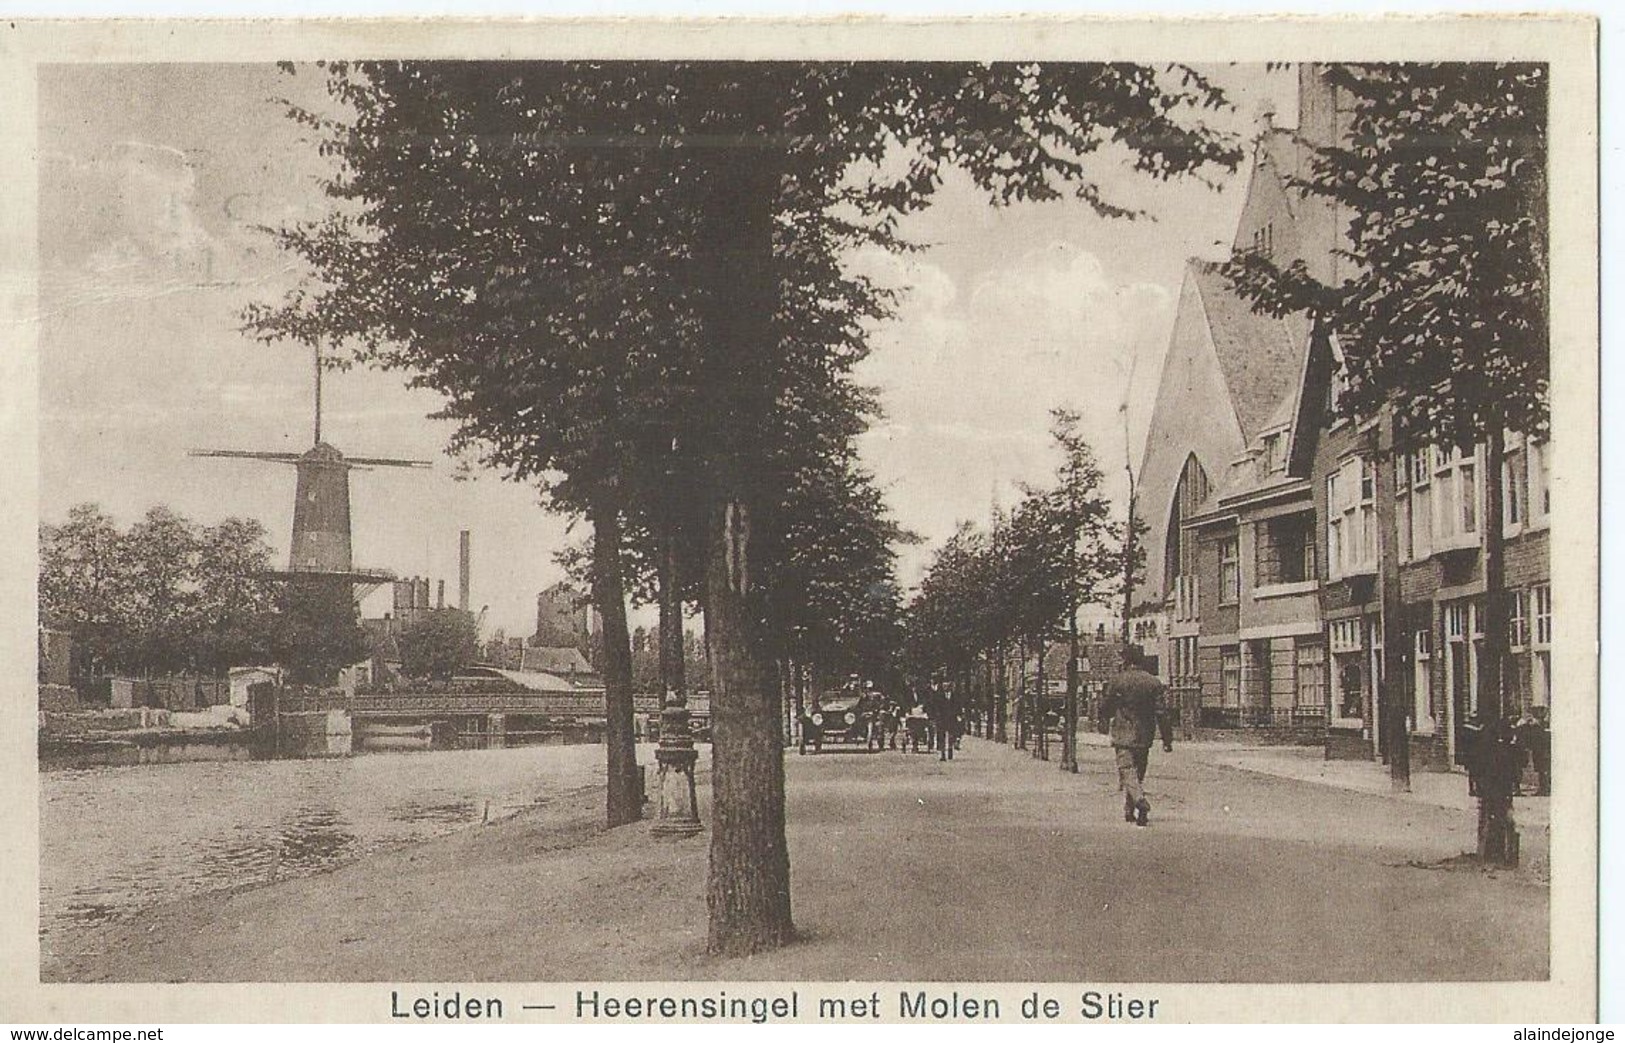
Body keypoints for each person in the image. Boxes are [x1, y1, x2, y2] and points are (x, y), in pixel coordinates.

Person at [1102, 646, 1170, 827]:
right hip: (1144, 735)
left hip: (1123, 733)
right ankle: (1130, 811)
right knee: (1137, 773)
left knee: (1127, 771)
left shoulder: (1118, 681)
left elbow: (1107, 706)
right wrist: (1167, 739)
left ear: (1126, 660)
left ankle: (1140, 801)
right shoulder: (1153, 682)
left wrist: (1104, 719)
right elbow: (1162, 713)